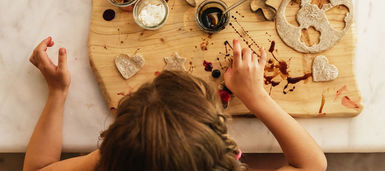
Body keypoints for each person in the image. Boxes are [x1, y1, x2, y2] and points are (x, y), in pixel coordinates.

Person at [23, 36, 327, 171]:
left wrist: (57, 94)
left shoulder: (116, 161)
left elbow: (39, 168)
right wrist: (256, 97)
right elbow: (312, 164)